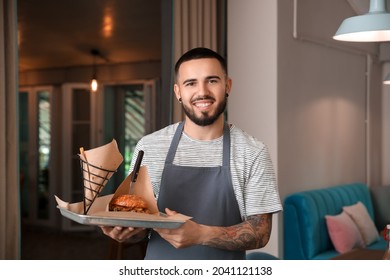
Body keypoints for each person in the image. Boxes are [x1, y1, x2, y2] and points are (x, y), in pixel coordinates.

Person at [101, 47, 282, 260]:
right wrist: (125, 231)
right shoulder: (150, 147)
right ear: (178, 92)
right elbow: (139, 225)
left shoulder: (252, 152)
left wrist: (201, 234)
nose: (202, 91)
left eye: (212, 80)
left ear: (227, 86)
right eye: (191, 83)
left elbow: (261, 232)